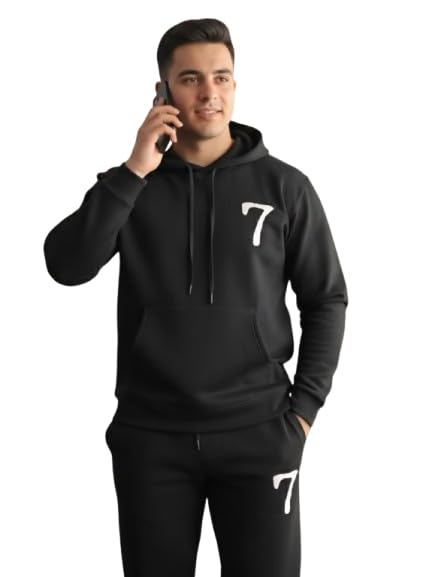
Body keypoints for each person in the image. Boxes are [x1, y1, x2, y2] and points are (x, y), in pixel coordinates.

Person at [43, 17, 348, 577]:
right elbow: (66, 266)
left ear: (235, 84)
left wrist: (303, 412)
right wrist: (136, 169)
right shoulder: (129, 186)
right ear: (162, 91)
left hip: (260, 434)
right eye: (190, 78)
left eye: (221, 77)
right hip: (151, 437)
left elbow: (326, 298)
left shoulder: (285, 187)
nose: (209, 92)